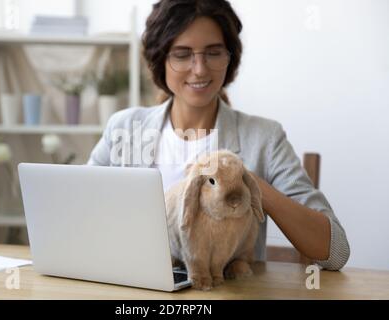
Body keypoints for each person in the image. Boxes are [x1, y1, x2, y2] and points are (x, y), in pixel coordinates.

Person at [88, 0, 350, 270]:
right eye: (182, 54)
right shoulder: (125, 128)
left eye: (213, 53)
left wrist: (252, 185)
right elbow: (78, 211)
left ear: (230, 58)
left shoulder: (264, 138)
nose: (200, 69)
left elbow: (335, 252)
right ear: (160, 60)